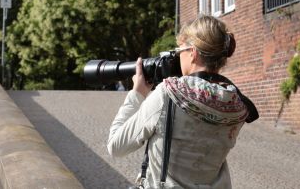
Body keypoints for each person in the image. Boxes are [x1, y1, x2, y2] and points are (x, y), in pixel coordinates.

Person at [107, 15, 258, 188]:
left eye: (179, 51)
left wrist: (137, 93)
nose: (177, 57)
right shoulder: (235, 104)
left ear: (192, 53)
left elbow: (115, 146)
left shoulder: (168, 94)